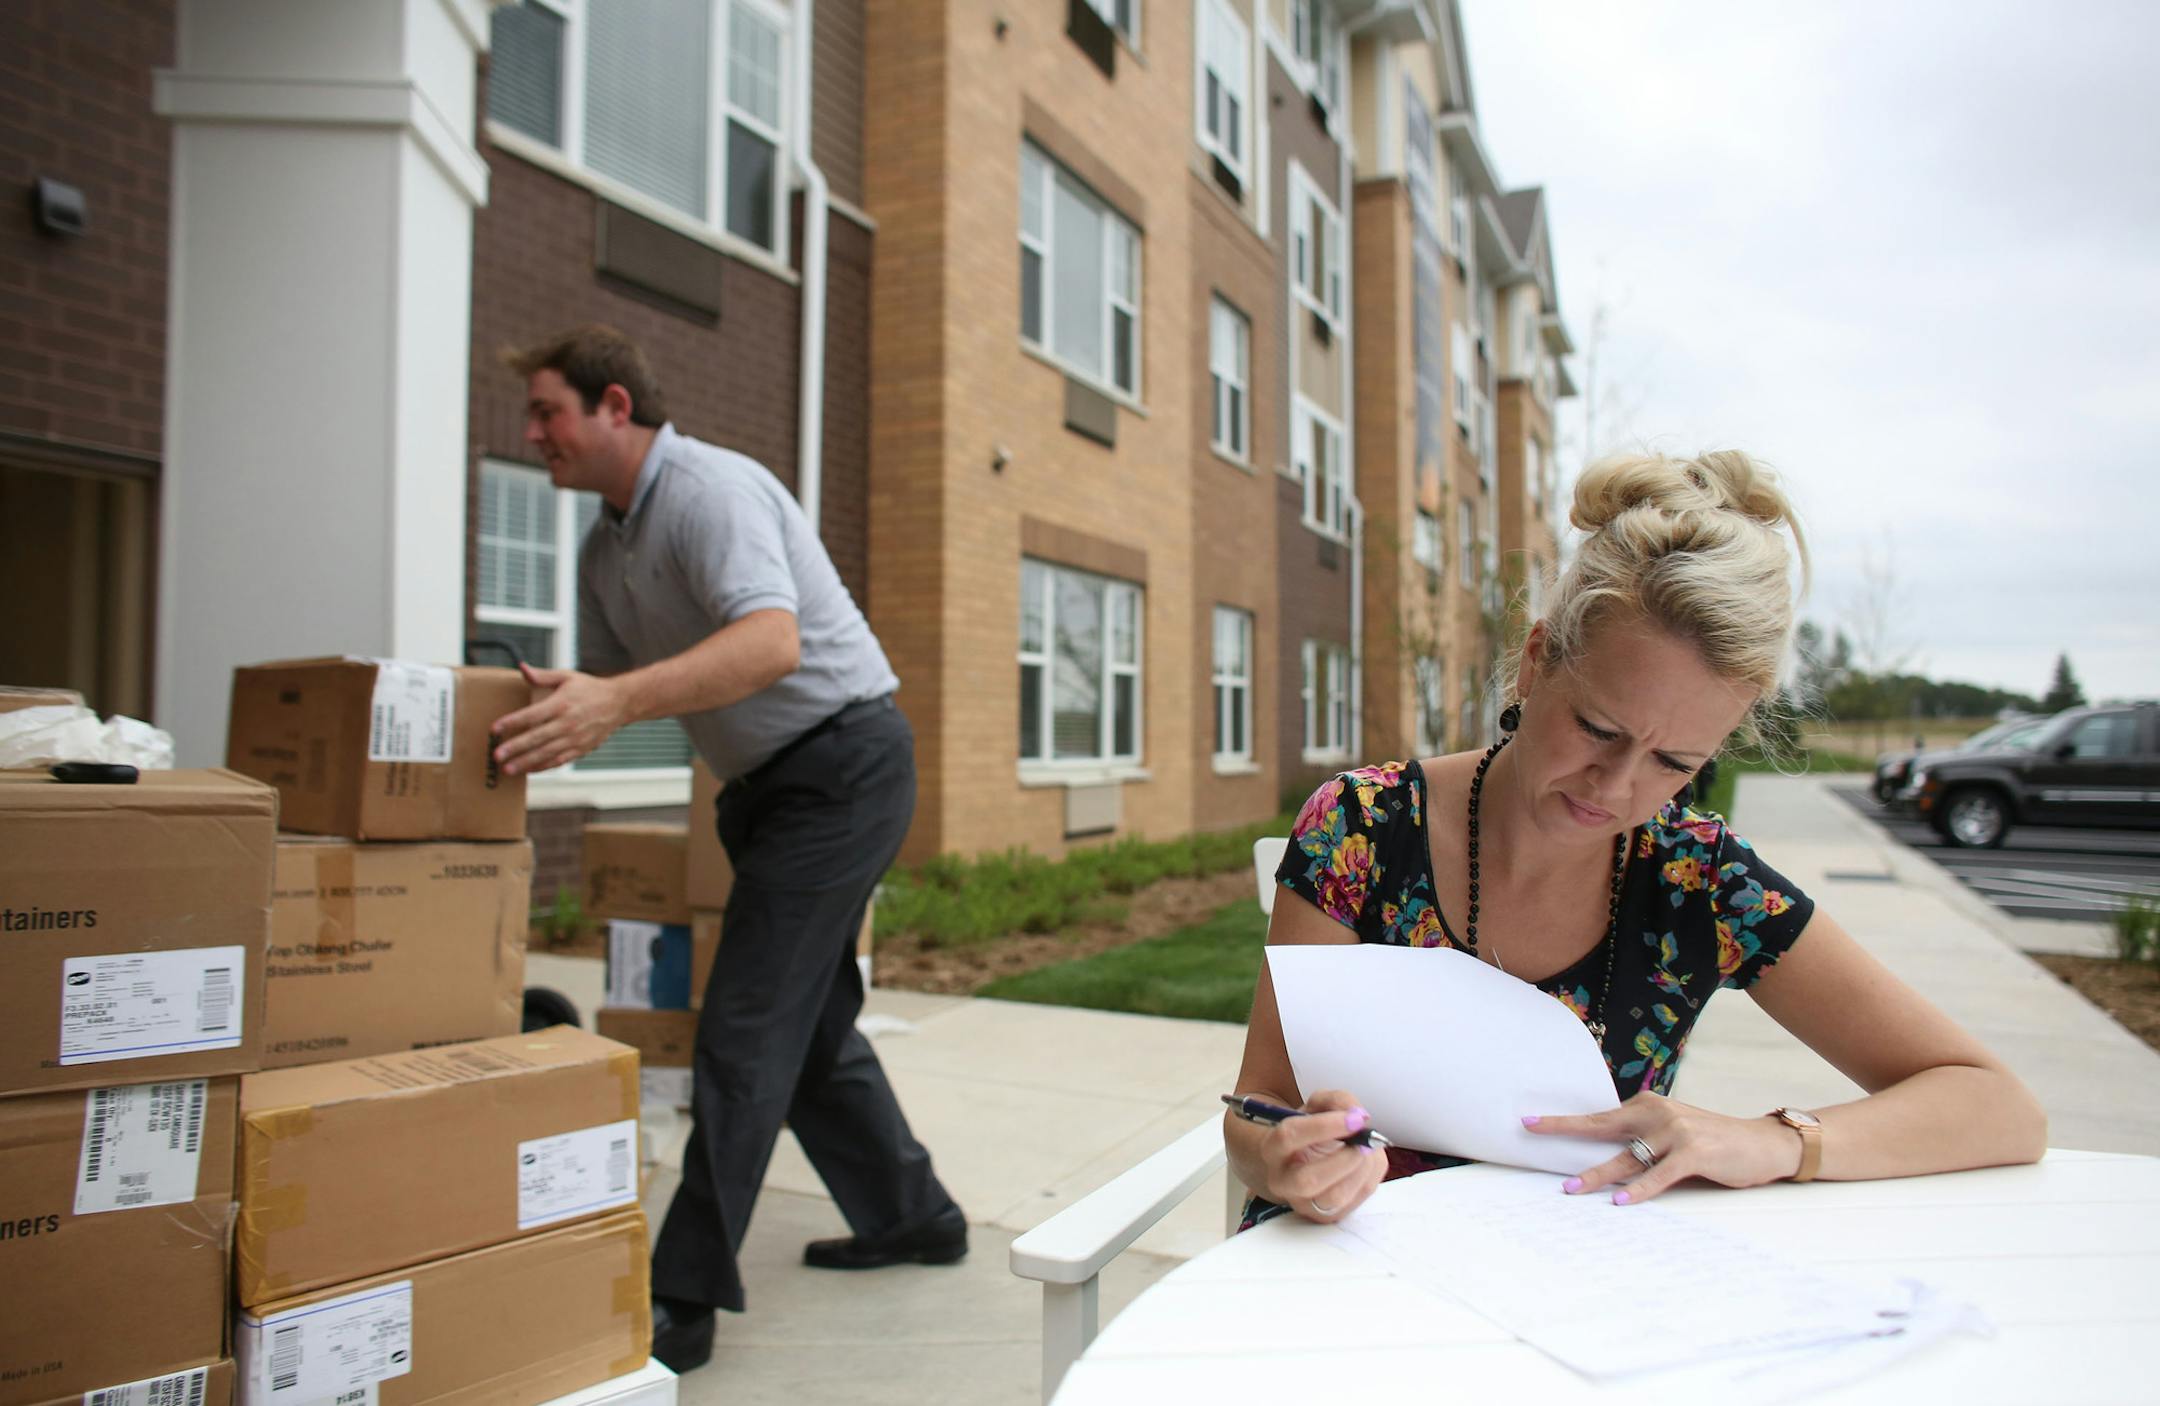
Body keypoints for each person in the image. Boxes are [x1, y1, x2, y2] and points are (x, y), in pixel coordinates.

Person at [1226, 449, 2046, 1226]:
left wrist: (1773, 1141)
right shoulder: (1362, 827)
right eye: (1598, 728)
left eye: (1673, 761)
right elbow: (1256, 1112)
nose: (1616, 789)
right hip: (1337, 1274)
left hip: (1567, 1297)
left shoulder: (1702, 880)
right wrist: (1285, 1157)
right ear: (1537, 663)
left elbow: (1997, 1106)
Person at [491, 326, 966, 1372]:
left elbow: (769, 641)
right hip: (767, 793)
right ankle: (913, 1212)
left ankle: (680, 1297)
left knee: (747, 1025)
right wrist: (550, 714)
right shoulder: (602, 550)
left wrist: (613, 697)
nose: (532, 434)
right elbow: (616, 692)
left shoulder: (711, 492)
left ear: (615, 406)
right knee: (807, 1029)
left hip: (843, 766)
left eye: (547, 412)